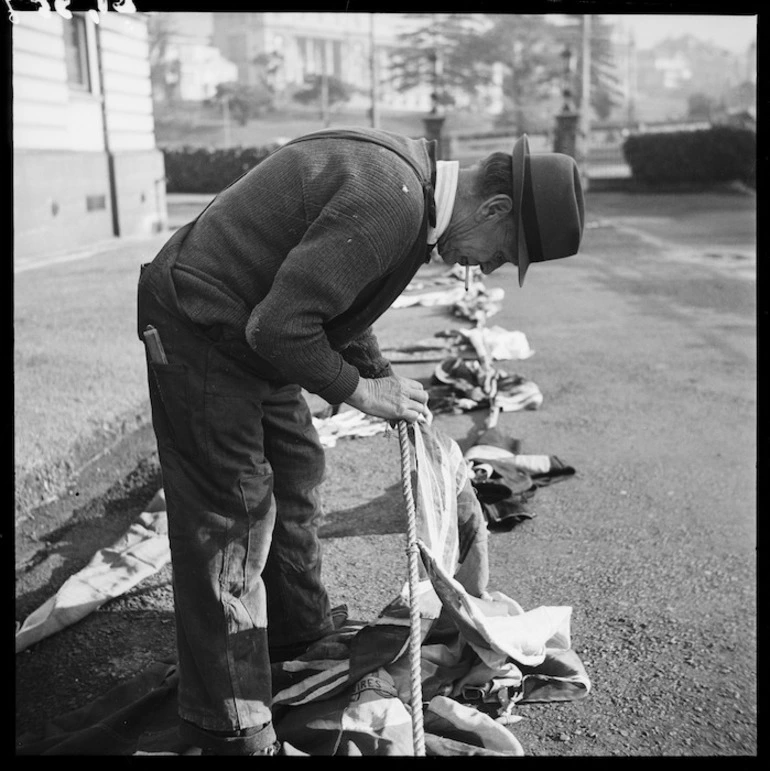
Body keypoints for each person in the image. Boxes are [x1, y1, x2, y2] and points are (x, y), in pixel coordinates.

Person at [136, 126, 584, 755]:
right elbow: (283, 327)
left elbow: (335, 310)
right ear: (494, 208)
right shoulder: (392, 200)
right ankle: (229, 723)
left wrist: (378, 375)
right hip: (199, 324)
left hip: (249, 326)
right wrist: (361, 392)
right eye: (502, 252)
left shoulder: (413, 195)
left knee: (296, 467)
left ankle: (293, 636)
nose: (486, 268)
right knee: (233, 515)